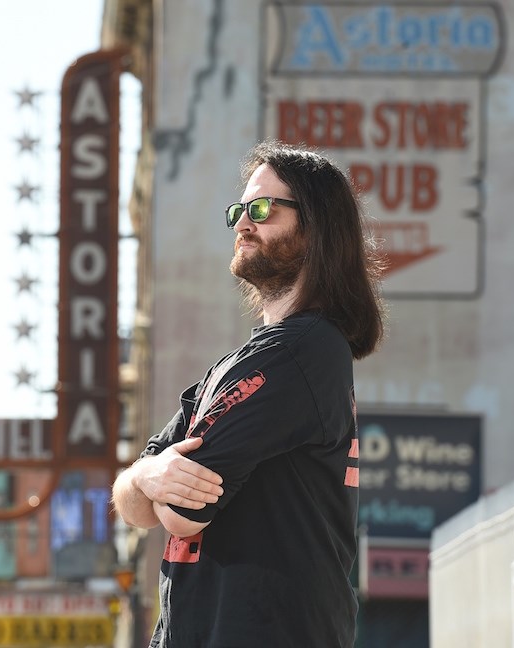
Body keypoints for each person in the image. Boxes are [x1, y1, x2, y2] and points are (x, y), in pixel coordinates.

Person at [112, 140, 385, 647]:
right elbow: (131, 503)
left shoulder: (300, 352)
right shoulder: (240, 365)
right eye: (240, 209)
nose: (242, 223)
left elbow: (181, 513)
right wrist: (149, 473)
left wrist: (151, 482)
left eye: (262, 209)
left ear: (315, 226)